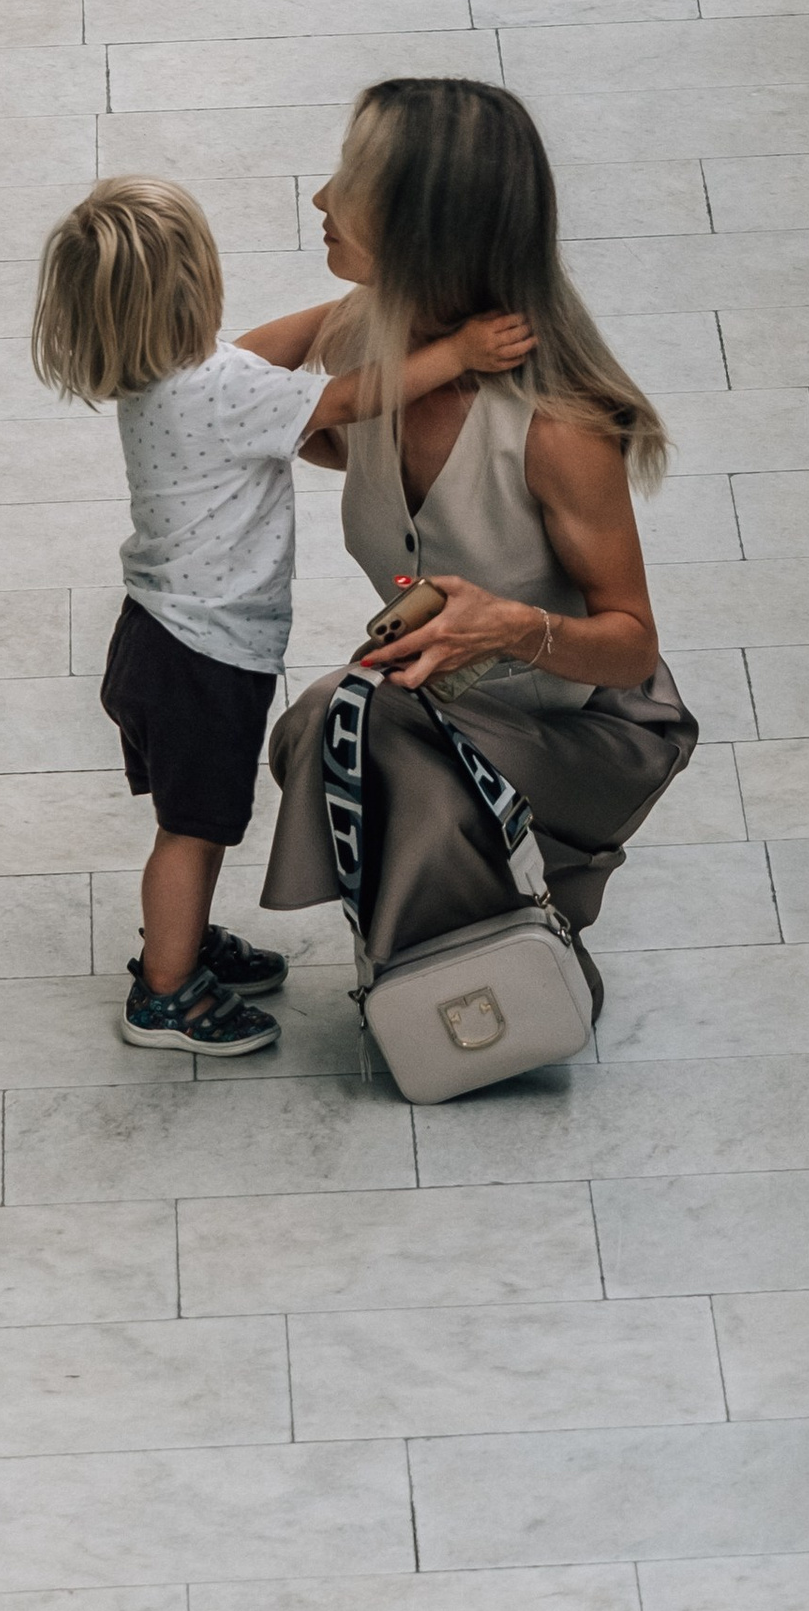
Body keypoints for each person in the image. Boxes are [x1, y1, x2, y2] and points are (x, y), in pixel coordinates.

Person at [30, 172, 534, 1055]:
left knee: (192, 822)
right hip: (206, 657)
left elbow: (269, 351)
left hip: (155, 637)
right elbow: (347, 398)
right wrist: (457, 352)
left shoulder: (161, 379)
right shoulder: (226, 393)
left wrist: (356, 305)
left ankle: (181, 939)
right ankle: (166, 992)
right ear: (199, 285)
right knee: (193, 833)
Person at [256, 78, 696, 1011]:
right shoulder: (368, 347)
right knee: (344, 726)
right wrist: (342, 379)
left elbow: (632, 646)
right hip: (442, 714)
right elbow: (230, 389)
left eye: (350, 182)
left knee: (345, 715)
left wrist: (507, 627)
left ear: (424, 226)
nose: (321, 198)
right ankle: (449, 958)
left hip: (582, 730)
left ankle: (491, 959)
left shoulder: (558, 429)